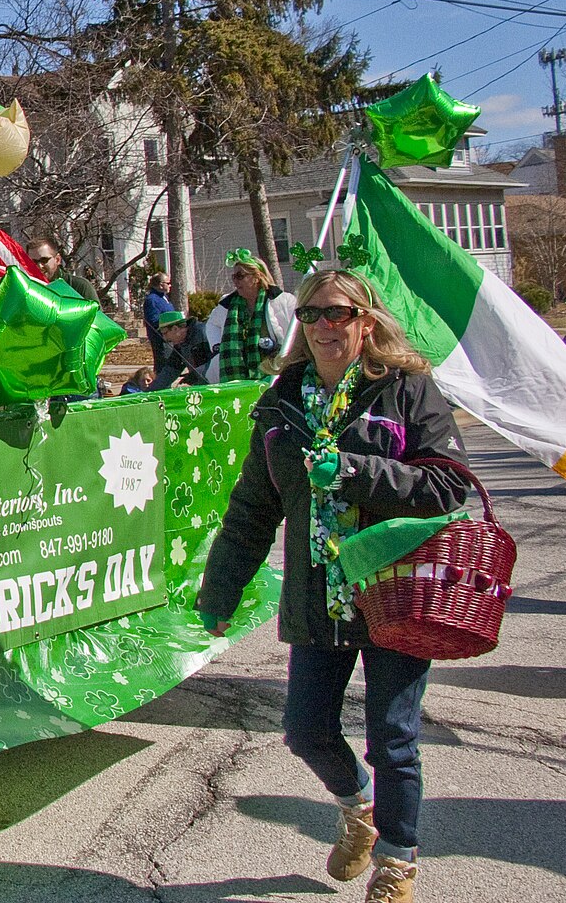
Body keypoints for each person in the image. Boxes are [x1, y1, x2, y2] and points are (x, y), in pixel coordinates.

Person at [197, 269, 470, 903]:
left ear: (365, 322)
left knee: (393, 736)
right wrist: (220, 594)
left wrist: (352, 470)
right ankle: (359, 808)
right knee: (305, 728)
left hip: (395, 591)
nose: (323, 325)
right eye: (312, 314)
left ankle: (398, 865)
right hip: (319, 594)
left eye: (338, 314)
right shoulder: (280, 403)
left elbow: (447, 484)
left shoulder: (406, 390)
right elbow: (252, 510)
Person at [204, 248, 298, 384]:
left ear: (256, 277)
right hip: (236, 378)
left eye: (240, 276)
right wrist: (218, 347)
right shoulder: (228, 304)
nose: (235, 281)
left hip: (273, 374)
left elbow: (296, 331)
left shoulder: (281, 301)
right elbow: (212, 324)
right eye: (233, 277)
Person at [151, 309, 215, 389]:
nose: (164, 338)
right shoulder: (180, 344)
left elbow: (215, 360)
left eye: (165, 333)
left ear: (175, 328)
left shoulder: (203, 333)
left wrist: (194, 376)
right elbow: (169, 371)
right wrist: (148, 392)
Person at [25, 238, 98, 304]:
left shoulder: (79, 287)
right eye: (33, 262)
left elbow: (99, 318)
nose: (39, 266)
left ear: (57, 259)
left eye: (44, 260)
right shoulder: (26, 290)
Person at [143, 272, 177, 361]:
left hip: (171, 338)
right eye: (168, 283)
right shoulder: (152, 300)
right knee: (163, 366)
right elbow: (153, 321)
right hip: (161, 341)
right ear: (161, 285)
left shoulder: (163, 297)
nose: (170, 285)